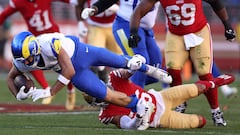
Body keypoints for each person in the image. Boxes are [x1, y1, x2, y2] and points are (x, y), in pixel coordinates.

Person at [7, 31, 172, 129]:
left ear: (35, 49)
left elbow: (68, 70)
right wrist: (18, 94)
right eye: (23, 60)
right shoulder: (23, 60)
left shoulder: (48, 44)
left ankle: (151, 69)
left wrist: (50, 91)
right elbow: (10, 77)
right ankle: (139, 106)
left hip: (80, 54)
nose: (26, 63)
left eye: (28, 59)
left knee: (123, 62)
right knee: (105, 95)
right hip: (76, 72)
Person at [129, 0, 236, 126]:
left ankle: (216, 111)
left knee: (204, 73)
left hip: (199, 31)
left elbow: (215, 2)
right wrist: (134, 32)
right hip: (176, 34)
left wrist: (227, 25)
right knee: (172, 71)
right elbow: (139, 10)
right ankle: (180, 103)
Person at [83, 68, 235, 130]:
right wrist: (139, 118)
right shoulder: (105, 115)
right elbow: (127, 125)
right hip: (160, 119)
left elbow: (128, 71)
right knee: (199, 122)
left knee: (199, 88)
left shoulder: (114, 78)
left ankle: (218, 81)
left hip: (161, 97)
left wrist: (134, 66)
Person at [0, 0, 77, 110]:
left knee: (65, 66)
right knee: (30, 63)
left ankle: (70, 91)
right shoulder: (18, 2)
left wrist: (74, 2)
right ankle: (46, 88)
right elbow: (4, 15)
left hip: (52, 36)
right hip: (33, 39)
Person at [80, 0, 165, 88]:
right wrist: (94, 9)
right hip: (125, 26)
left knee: (155, 71)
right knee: (140, 62)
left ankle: (116, 82)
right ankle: (134, 98)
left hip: (145, 29)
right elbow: (107, 2)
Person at [75, 0, 122, 83]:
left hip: (115, 24)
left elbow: (125, 4)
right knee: (96, 59)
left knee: (121, 59)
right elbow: (79, 5)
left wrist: (117, 8)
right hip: (95, 26)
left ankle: (123, 86)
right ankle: (103, 85)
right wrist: (80, 23)